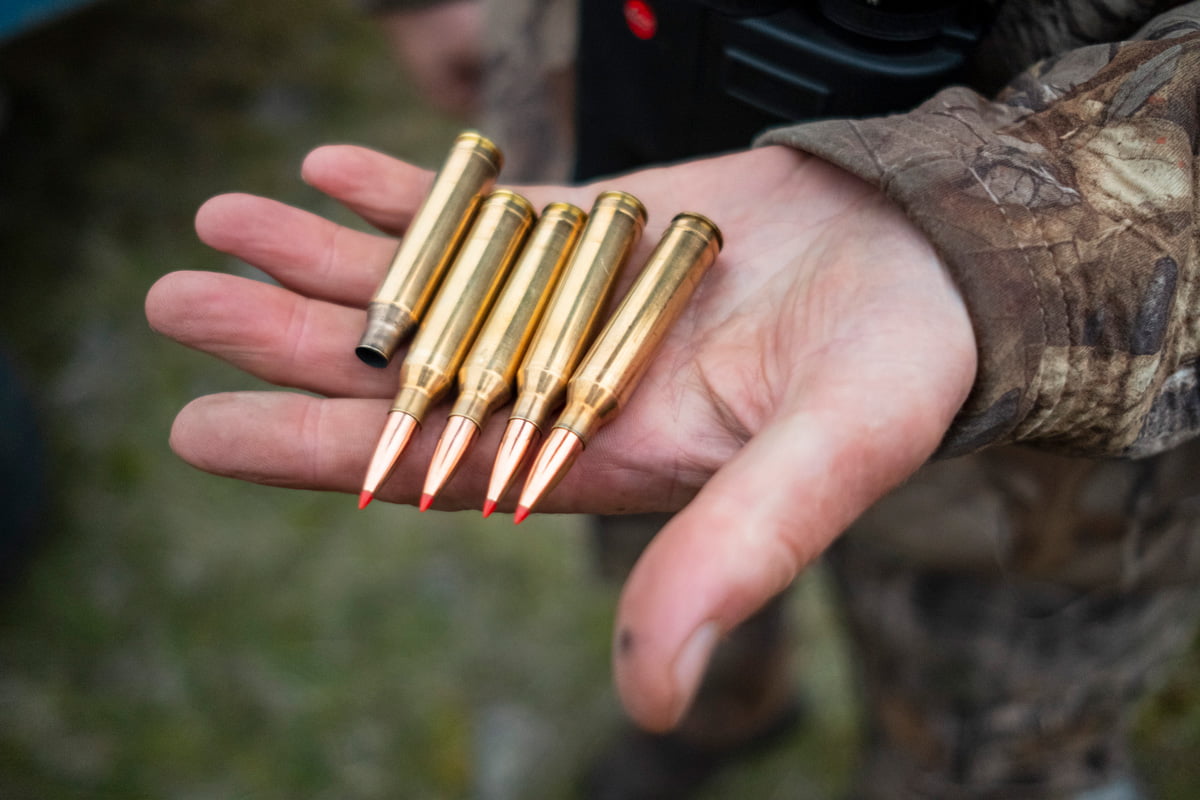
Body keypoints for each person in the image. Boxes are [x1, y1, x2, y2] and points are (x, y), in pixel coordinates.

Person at [146, 1, 1200, 797]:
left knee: (996, 732)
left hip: (1072, 413)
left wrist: (1006, 240)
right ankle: (723, 711)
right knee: (657, 538)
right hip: (605, 129)